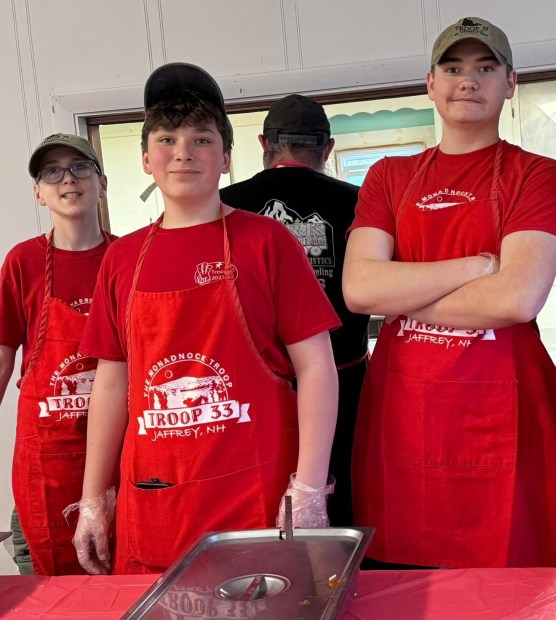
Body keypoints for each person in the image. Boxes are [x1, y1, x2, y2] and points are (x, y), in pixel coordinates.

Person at [70, 62, 340, 575]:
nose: (183, 153)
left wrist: (308, 488)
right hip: (156, 503)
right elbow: (111, 382)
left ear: (226, 158)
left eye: (202, 139)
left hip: (255, 494)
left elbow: (316, 368)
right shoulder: (123, 258)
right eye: (167, 139)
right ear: (146, 158)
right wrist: (93, 497)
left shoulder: (269, 242)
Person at [342, 16, 556, 569]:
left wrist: (401, 291)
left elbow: (514, 300)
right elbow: (359, 289)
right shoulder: (388, 177)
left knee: (510, 590)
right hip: (402, 422)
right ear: (430, 82)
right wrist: (476, 266)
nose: (467, 80)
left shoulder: (538, 175)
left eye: (485, 67)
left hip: (505, 416)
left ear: (510, 82)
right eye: (453, 68)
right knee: (399, 590)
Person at [220, 94, 369, 526]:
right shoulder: (358, 202)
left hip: (254, 389)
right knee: (341, 502)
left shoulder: (227, 204)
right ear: (327, 148)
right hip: (344, 382)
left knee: (256, 501)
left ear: (265, 144)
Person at [0, 133, 113, 574]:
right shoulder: (22, 262)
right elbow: (3, 356)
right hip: (47, 460)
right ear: (38, 191)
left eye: (80, 167)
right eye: (52, 171)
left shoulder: (127, 257)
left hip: (118, 459)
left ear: (101, 182)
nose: (68, 179)